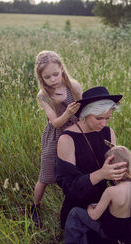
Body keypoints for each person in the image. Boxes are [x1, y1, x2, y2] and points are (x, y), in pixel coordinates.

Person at [55, 86, 131, 244]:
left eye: (108, 118)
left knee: (126, 199)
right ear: (85, 114)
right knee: (91, 229)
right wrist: (101, 174)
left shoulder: (108, 133)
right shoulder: (67, 139)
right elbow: (69, 188)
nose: (104, 123)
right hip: (81, 201)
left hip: (108, 198)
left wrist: (129, 171)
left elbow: (117, 166)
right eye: (98, 118)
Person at [54, 143, 131, 244]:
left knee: (75, 213)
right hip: (130, 230)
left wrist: (90, 206)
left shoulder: (111, 191)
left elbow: (94, 215)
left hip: (111, 233)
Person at [31, 50, 82, 228]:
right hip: (55, 137)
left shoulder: (73, 86)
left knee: (72, 172)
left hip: (75, 134)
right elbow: (55, 123)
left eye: (55, 74)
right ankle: (34, 207)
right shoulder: (44, 95)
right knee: (45, 176)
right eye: (47, 77)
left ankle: (71, 207)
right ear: (41, 77)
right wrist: (67, 112)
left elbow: (84, 110)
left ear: (61, 68)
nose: (53, 79)